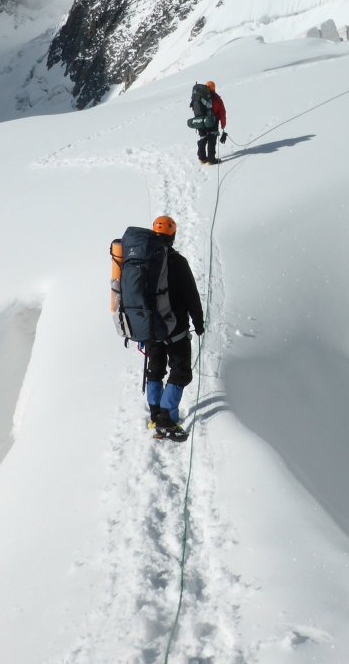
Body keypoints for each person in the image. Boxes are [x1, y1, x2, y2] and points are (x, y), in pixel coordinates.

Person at [143, 214, 204, 440]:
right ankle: (167, 418)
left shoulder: (142, 260)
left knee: (155, 369)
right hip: (175, 329)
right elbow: (191, 296)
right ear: (173, 236)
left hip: (148, 328)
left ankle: (155, 413)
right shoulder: (178, 262)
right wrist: (198, 324)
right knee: (180, 371)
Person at [197, 80, 228, 165]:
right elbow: (222, 112)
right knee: (211, 139)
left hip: (201, 121)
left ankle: (202, 158)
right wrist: (223, 125)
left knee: (202, 138)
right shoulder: (217, 98)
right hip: (212, 122)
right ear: (214, 88)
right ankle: (211, 160)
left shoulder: (200, 96)